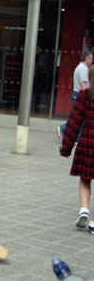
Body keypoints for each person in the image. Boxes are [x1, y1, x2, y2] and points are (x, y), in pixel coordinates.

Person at [60, 66, 94, 234]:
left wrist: (66, 148)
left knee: (85, 179)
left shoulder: (85, 95)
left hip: (88, 143)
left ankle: (84, 210)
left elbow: (74, 123)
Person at [58, 51, 93, 140]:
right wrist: (87, 98)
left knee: (80, 118)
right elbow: (83, 85)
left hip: (77, 95)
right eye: (91, 59)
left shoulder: (81, 67)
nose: (92, 61)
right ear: (87, 59)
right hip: (79, 95)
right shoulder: (83, 68)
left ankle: (76, 136)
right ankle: (63, 128)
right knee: (80, 118)